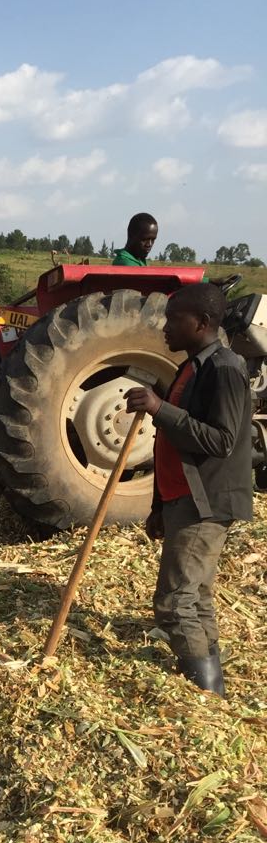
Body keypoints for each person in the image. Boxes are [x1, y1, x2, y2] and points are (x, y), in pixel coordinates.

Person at [126, 283, 252, 695]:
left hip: (207, 502)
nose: (164, 327)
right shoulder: (190, 368)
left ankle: (202, 693)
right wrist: (159, 505)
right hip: (184, 497)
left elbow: (222, 440)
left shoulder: (225, 368)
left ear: (201, 323)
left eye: (173, 318)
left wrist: (160, 408)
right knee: (194, 595)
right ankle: (211, 684)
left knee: (175, 602)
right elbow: (174, 442)